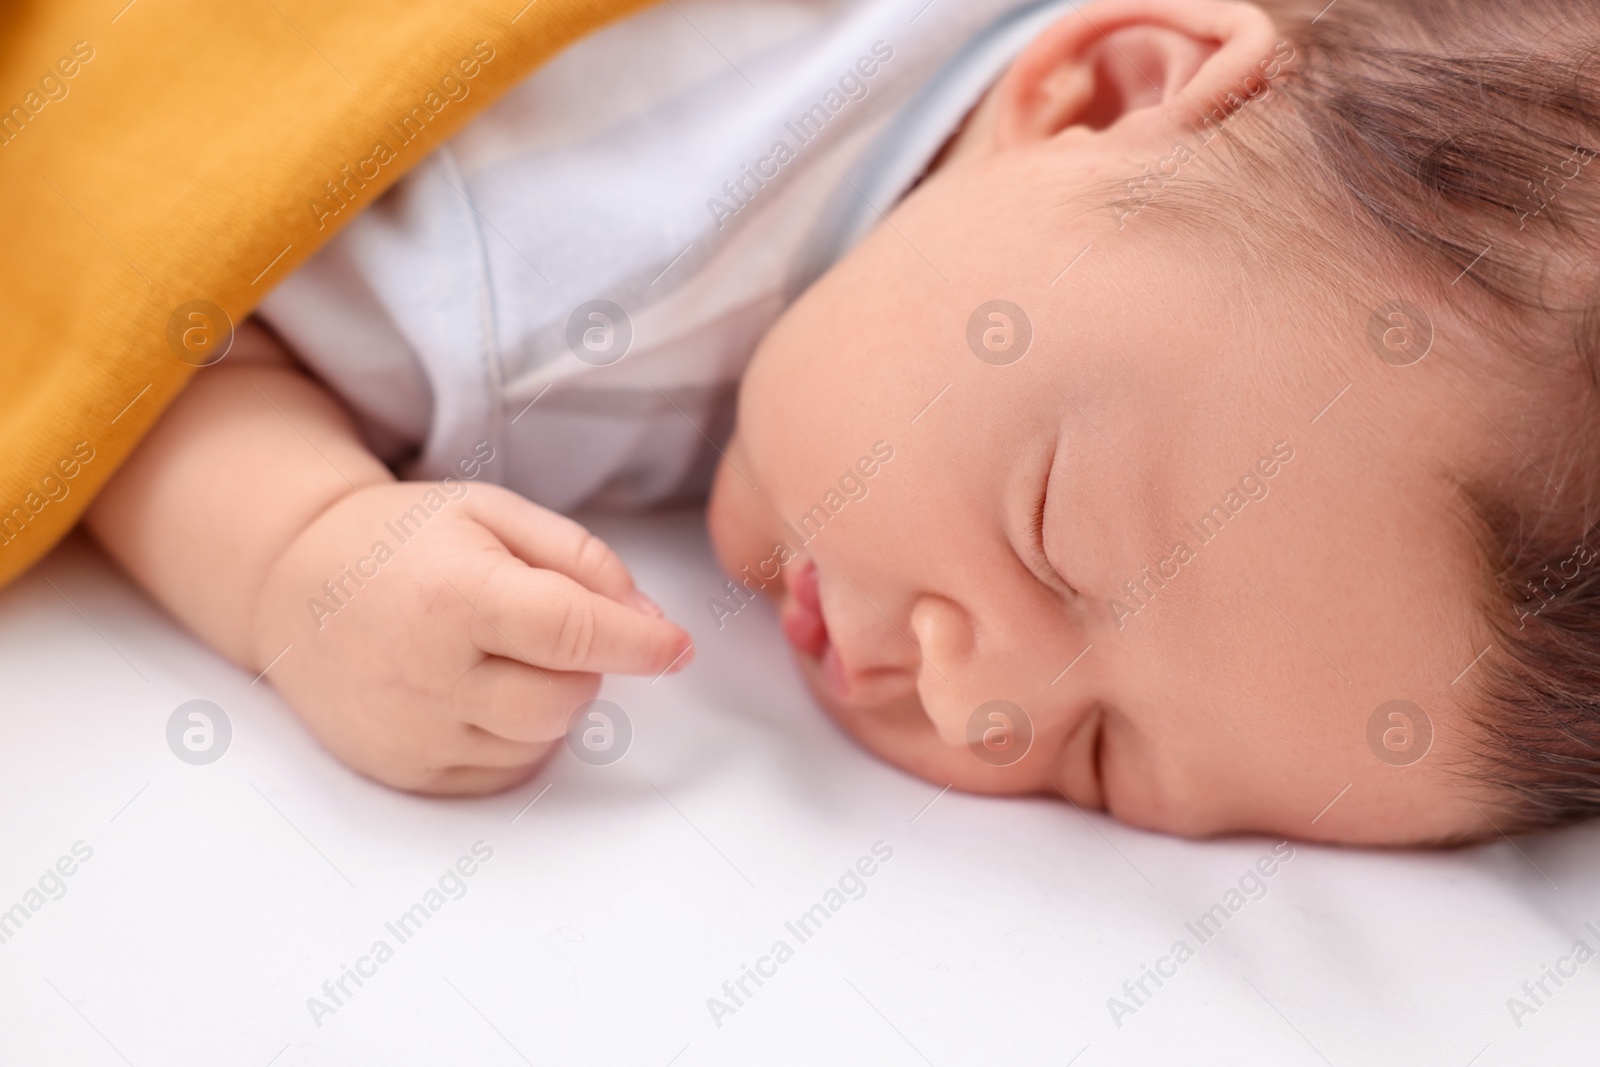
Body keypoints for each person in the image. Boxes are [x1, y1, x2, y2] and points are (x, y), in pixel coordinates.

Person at [84, 0, 1600, 844]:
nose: (968, 699)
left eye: (1099, 760)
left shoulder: (1158, 234)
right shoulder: (549, 270)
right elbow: (124, 296)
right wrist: (297, 552)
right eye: (1055, 535)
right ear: (1101, 91)